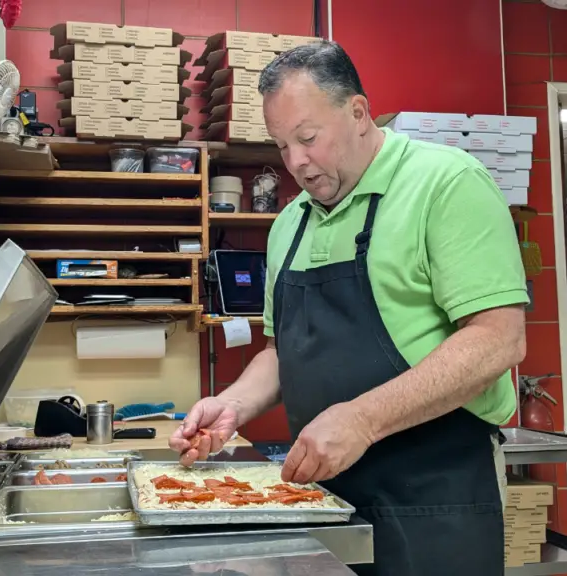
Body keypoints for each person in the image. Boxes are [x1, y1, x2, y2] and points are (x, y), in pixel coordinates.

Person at [170, 40, 528, 576]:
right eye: (282, 145)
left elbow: (499, 339)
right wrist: (234, 404)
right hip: (324, 493)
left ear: (358, 113)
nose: (296, 162)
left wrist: (362, 419)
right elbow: (280, 348)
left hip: (434, 493)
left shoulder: (446, 183)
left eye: (308, 138)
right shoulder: (290, 222)